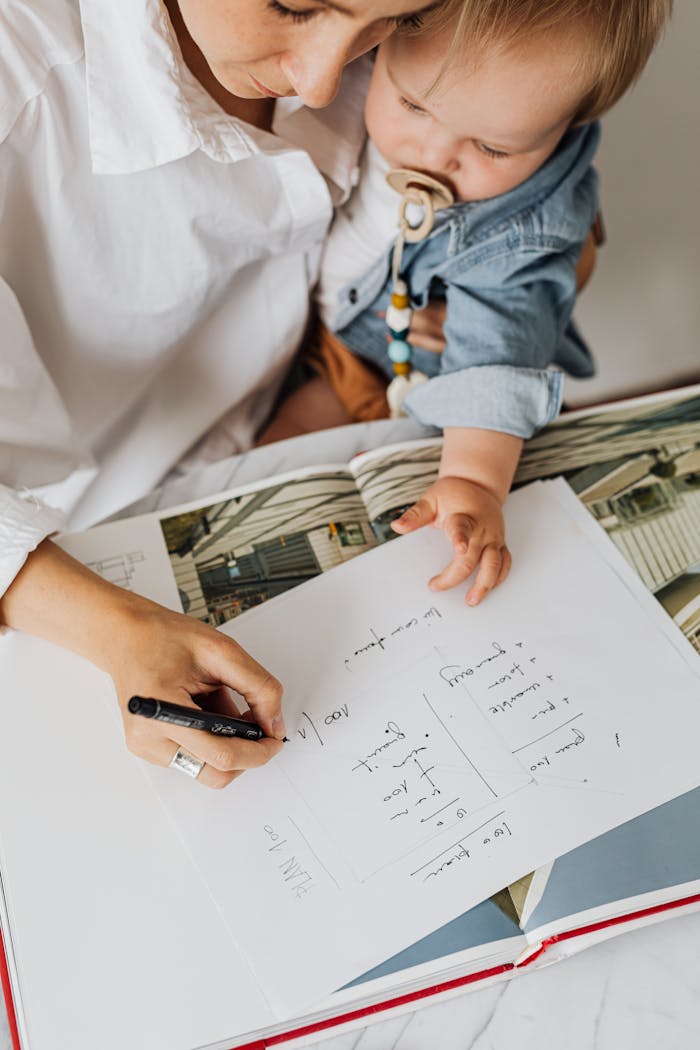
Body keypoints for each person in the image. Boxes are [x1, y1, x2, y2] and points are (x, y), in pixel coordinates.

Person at [0, 0, 451, 788]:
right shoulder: (20, 76)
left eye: (392, 21)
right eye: (297, 6)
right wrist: (114, 629)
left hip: (271, 456)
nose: (318, 84)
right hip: (46, 590)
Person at [259, 0, 672, 605]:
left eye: (492, 148)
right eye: (414, 106)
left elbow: (494, 354)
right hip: (337, 343)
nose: (434, 153)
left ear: (568, 129)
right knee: (272, 466)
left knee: (317, 473)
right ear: (381, 42)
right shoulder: (344, 62)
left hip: (427, 389)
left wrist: (474, 480)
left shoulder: (521, 231)